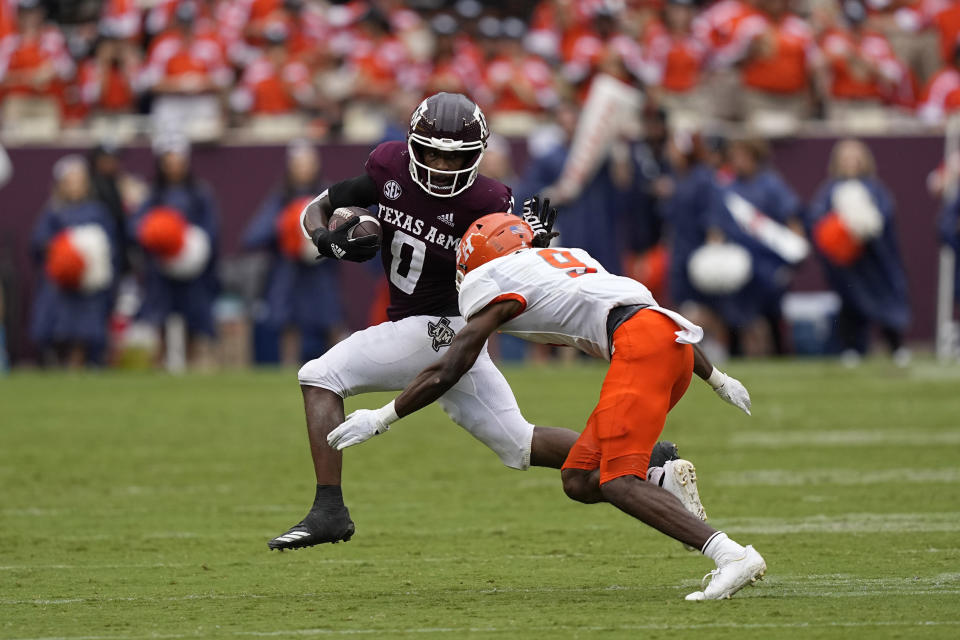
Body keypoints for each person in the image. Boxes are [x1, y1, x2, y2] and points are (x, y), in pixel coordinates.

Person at [327, 210, 765, 601]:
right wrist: (718, 378)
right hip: (671, 344)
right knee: (578, 477)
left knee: (616, 482)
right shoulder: (570, 259)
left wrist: (383, 417)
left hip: (641, 347)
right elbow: (655, 314)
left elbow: (450, 368)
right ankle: (662, 477)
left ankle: (731, 555)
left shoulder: (490, 278)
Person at [268, 92, 581, 551]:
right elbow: (316, 207)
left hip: (439, 326)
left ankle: (329, 510)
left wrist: (532, 245)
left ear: (476, 157)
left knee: (319, 375)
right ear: (412, 145)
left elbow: (511, 269)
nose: (439, 165)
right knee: (519, 444)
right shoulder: (388, 166)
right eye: (431, 152)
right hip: (450, 336)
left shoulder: (490, 200)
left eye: (454, 158)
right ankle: (643, 461)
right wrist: (327, 240)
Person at [806, 139, 910, 364]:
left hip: (874, 261)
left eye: (855, 157)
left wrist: (866, 225)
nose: (850, 162)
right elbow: (818, 222)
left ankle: (896, 346)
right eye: (845, 158)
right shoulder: (829, 190)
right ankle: (852, 348)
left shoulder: (875, 188)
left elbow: (883, 218)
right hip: (848, 265)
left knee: (886, 303)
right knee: (851, 303)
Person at [241, 140, 343, 364]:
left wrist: (325, 237)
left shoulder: (329, 195)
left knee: (331, 324)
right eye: (299, 164)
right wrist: (288, 225)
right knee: (288, 327)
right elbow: (252, 236)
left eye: (308, 163)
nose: (303, 169)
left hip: (321, 271)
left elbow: (346, 232)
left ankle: (338, 372)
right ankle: (290, 376)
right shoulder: (280, 197)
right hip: (288, 272)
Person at [30, 155, 120, 367]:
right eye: (70, 182)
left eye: (79, 181)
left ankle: (83, 360)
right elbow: (39, 243)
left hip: (89, 285)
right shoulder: (53, 211)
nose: (75, 187)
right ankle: (58, 360)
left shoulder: (98, 211)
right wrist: (64, 251)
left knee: (88, 327)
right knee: (56, 325)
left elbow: (110, 247)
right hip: (61, 283)